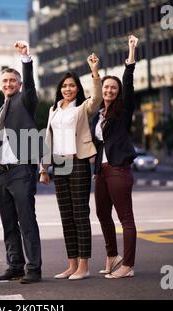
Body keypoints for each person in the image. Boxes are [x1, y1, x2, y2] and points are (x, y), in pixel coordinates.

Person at [39, 54, 103, 280]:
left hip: (78, 162)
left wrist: (94, 71)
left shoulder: (83, 108)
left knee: (80, 214)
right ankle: (72, 264)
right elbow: (48, 139)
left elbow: (97, 97)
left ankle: (84, 266)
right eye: (64, 86)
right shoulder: (54, 109)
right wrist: (44, 168)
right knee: (66, 216)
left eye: (72, 85)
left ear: (77, 88)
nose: (68, 89)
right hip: (59, 164)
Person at [0, 41, 43, 284]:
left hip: (22, 170)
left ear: (19, 84)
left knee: (26, 221)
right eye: (5, 81)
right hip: (1, 174)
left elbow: (31, 87)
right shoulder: (0, 109)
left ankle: (33, 269)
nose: (8, 84)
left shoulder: (25, 100)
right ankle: (15, 265)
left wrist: (26, 59)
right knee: (8, 222)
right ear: (1, 85)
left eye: (13, 81)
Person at [90, 35, 139, 279]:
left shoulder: (123, 110)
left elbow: (128, 85)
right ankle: (112, 256)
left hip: (119, 169)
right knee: (101, 214)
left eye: (113, 88)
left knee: (125, 219)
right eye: (106, 87)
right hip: (101, 171)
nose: (109, 90)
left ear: (117, 92)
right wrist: (95, 71)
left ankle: (128, 266)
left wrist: (130, 56)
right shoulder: (98, 113)